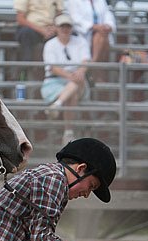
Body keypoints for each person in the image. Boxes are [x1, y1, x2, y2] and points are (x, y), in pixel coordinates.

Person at [42, 13, 91, 144]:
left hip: (77, 81)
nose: (65, 29)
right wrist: (73, 76)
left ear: (71, 28)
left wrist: (79, 73)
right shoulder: (50, 44)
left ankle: (57, 105)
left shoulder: (80, 41)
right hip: (54, 82)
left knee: (75, 84)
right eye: (62, 26)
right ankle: (68, 132)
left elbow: (85, 62)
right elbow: (53, 68)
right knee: (72, 93)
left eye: (67, 26)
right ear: (57, 28)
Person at [65, 0, 116, 69]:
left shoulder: (101, 1)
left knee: (101, 35)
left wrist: (108, 25)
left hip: (101, 32)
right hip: (82, 33)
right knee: (101, 36)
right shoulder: (73, 1)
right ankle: (95, 67)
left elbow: (108, 14)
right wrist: (93, 26)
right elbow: (75, 19)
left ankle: (93, 64)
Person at [14, 0, 59, 74]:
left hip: (52, 30)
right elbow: (20, 19)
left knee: (65, 33)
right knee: (26, 33)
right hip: (31, 28)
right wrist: (41, 30)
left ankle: (56, 71)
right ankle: (25, 71)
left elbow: (60, 14)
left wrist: (55, 28)